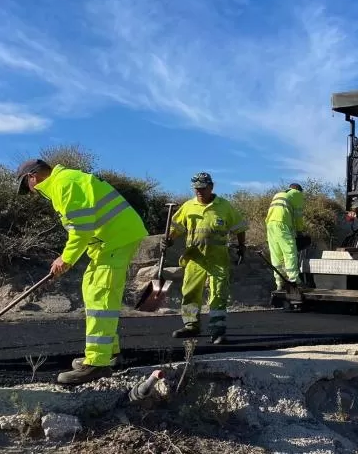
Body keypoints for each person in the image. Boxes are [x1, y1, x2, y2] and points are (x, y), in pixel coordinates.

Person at [15, 159, 148, 385]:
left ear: (32, 177)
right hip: (109, 241)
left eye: (27, 186)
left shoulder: (64, 184)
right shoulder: (63, 182)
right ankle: (110, 352)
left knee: (100, 295)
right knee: (92, 288)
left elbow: (80, 228)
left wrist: (65, 259)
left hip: (116, 239)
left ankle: (97, 363)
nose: (31, 191)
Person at [164, 172, 247, 345]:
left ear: (211, 187)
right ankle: (191, 325)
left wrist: (241, 247)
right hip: (195, 257)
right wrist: (168, 241)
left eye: (203, 188)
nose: (199, 191)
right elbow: (177, 228)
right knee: (190, 292)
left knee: (218, 293)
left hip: (218, 258)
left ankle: (217, 331)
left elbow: (239, 227)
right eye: (196, 189)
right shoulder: (188, 206)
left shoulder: (224, 206)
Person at [265, 183, 305, 291]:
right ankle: (294, 281)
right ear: (298, 190)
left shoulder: (278, 194)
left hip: (270, 225)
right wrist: (300, 231)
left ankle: (279, 283)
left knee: (276, 255)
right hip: (282, 224)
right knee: (290, 252)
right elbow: (298, 215)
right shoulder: (297, 194)